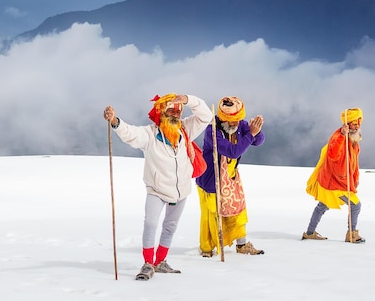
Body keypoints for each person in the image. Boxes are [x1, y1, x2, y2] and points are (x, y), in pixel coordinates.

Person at [104, 94, 212, 280]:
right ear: (161, 112)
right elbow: (130, 133)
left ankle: (160, 262)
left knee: (170, 226)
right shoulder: (150, 134)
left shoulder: (185, 130)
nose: (175, 115)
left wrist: (188, 99)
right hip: (157, 189)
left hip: (182, 190)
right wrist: (115, 121)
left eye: (178, 111)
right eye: (170, 110)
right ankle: (148, 263)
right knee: (151, 223)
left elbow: (206, 116)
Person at [196, 97, 265, 257]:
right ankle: (206, 248)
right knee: (212, 214)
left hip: (231, 177)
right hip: (211, 179)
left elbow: (257, 141)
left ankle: (242, 245)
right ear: (222, 118)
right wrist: (250, 135)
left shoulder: (240, 125)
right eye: (231, 121)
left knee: (237, 210)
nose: (235, 124)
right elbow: (233, 151)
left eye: (237, 120)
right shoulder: (212, 130)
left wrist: (257, 131)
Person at [302, 108, 365, 244]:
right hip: (335, 183)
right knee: (355, 205)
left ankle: (309, 233)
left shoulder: (354, 139)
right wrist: (342, 136)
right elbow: (333, 155)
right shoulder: (338, 137)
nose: (357, 126)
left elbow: (354, 163)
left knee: (322, 206)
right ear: (347, 125)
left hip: (337, 181)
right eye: (354, 123)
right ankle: (352, 234)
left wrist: (355, 178)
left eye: (358, 123)